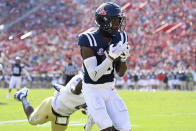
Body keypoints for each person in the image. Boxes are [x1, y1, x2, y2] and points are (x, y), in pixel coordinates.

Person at [78, 2, 131, 131]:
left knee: (125, 127)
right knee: (107, 128)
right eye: (114, 20)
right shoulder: (88, 39)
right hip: (92, 89)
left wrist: (123, 59)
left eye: (119, 20)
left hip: (110, 88)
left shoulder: (121, 37)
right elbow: (94, 76)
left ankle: (91, 118)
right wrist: (110, 58)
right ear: (103, 21)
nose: (117, 24)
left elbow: (121, 73)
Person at [14, 73, 95, 131]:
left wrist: (87, 109)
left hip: (63, 117)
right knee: (32, 120)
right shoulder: (81, 80)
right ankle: (23, 96)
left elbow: (78, 101)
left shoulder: (95, 92)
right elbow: (76, 91)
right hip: (50, 108)